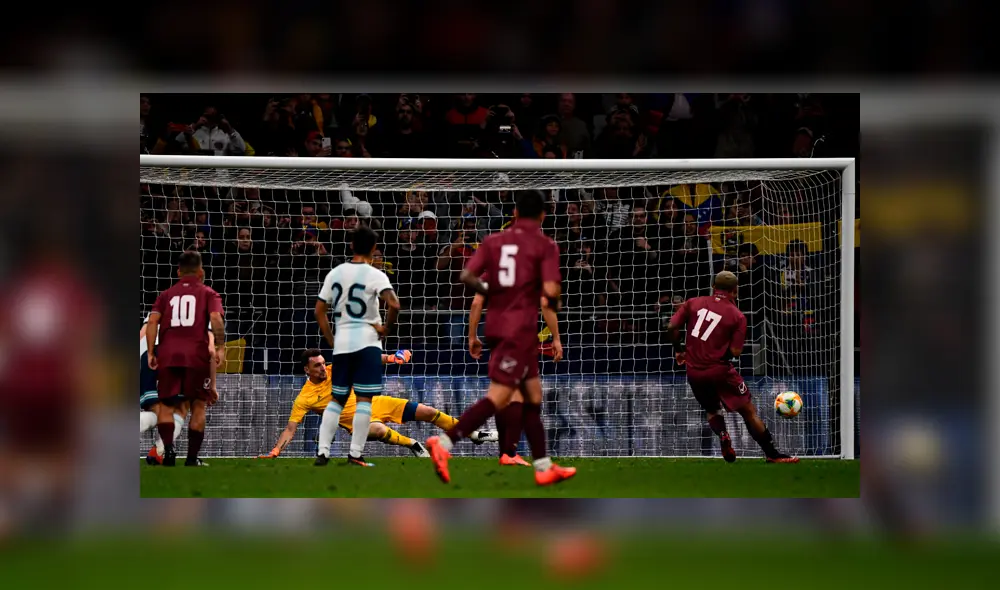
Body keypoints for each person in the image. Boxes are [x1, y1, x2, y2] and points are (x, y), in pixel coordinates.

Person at [426, 190, 573, 486]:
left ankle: (543, 467)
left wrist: (495, 293)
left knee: (531, 397)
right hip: (518, 330)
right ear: (543, 215)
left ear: (516, 213)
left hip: (499, 328)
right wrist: (555, 335)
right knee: (500, 397)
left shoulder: (493, 242)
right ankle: (443, 444)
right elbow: (550, 296)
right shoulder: (544, 246)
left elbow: (466, 277)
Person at [259, 349, 496, 458]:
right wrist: (276, 450)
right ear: (306, 370)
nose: (323, 367)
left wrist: (392, 358)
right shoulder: (305, 397)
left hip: (377, 403)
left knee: (429, 411)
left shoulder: (336, 369)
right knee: (378, 429)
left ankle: (473, 434)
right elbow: (291, 428)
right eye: (317, 365)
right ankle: (413, 445)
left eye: (323, 363)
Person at [666, 270, 798, 463]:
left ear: (713, 288)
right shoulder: (737, 316)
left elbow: (671, 327)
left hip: (694, 371)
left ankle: (722, 435)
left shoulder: (693, 302)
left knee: (712, 410)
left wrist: (678, 350)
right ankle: (772, 454)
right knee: (748, 412)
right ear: (735, 291)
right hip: (720, 370)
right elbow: (736, 352)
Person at [314, 226, 401, 467]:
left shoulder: (335, 273)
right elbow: (394, 304)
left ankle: (322, 453)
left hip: (342, 344)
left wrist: (331, 339)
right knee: (364, 400)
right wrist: (386, 329)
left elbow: (319, 310)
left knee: (336, 399)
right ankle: (355, 455)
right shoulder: (376, 275)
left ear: (351, 245)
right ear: (373, 248)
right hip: (367, 344)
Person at [145, 250, 225, 467]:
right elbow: (216, 318)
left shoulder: (165, 295)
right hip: (196, 356)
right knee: (198, 404)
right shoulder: (209, 293)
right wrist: (220, 346)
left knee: (166, 405)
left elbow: (152, 322)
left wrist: (152, 352)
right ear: (200, 271)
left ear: (178, 271)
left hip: (169, 355)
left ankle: (168, 451)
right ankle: (191, 459)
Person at [140, 312, 192, 464]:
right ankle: (162, 448)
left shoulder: (159, 308)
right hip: (179, 359)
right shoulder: (199, 310)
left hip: (150, 357)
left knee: (157, 411)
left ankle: (160, 450)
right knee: (180, 408)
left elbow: (143, 333)